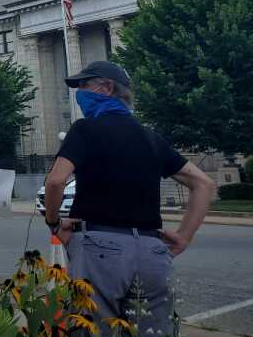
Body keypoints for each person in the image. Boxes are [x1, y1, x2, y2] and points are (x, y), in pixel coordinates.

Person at [44, 61, 215, 336]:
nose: (79, 94)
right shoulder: (151, 138)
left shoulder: (85, 130)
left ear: (106, 88)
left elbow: (55, 180)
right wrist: (184, 236)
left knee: (93, 328)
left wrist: (53, 222)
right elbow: (203, 183)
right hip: (152, 251)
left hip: (99, 248)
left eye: (84, 86)